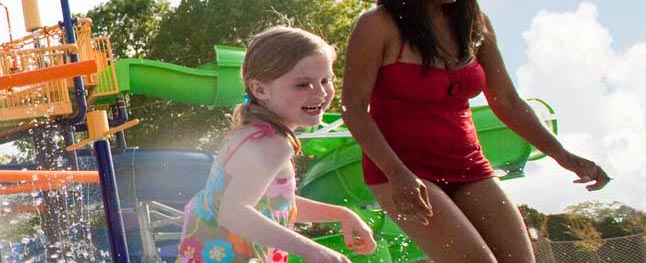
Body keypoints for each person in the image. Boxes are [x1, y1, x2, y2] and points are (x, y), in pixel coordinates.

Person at [342, 1, 609, 262]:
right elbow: (352, 108)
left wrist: (561, 154)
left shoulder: (475, 23)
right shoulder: (376, 25)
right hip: (401, 170)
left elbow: (506, 101)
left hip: (468, 164)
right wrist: (397, 174)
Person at [173, 27, 376, 263]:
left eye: (325, 80)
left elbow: (273, 203)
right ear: (260, 89)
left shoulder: (251, 133)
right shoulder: (271, 145)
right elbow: (235, 212)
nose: (320, 92)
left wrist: (341, 214)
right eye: (302, 85)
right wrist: (313, 250)